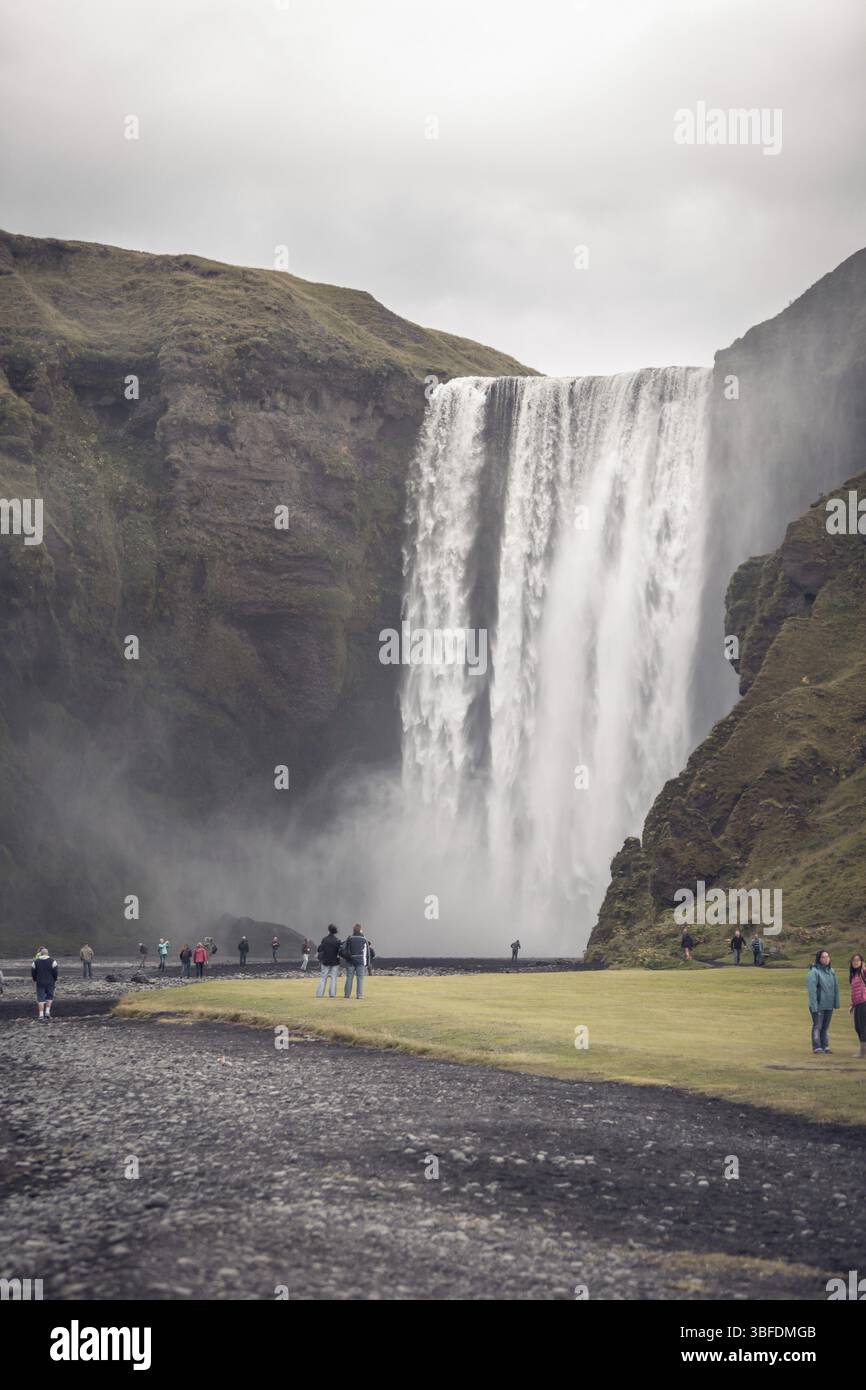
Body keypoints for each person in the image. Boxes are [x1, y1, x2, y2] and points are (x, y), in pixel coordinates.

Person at [806, 949, 840, 1054]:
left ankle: (825, 1046)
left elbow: (836, 988)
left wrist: (836, 1003)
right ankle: (817, 1047)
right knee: (818, 1026)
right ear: (819, 959)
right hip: (818, 1005)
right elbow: (812, 991)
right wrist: (814, 1006)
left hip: (828, 1005)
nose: (826, 959)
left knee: (825, 1027)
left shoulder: (832, 971)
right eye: (823, 957)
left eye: (827, 957)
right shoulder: (814, 972)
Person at [316, 924, 342, 998]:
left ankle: (320, 994)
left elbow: (319, 949)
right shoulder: (337, 941)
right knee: (333, 978)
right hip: (335, 962)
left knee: (323, 978)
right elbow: (339, 952)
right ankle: (332, 994)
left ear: (328, 930)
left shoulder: (325, 939)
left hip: (325, 961)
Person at [342, 924, 368, 999]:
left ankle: (347, 994)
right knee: (360, 978)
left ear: (353, 930)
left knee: (349, 977)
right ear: (360, 930)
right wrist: (366, 963)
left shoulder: (350, 938)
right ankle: (359, 995)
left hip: (350, 960)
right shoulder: (363, 939)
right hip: (360, 960)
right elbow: (366, 952)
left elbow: (344, 948)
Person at [31, 947, 58, 1020]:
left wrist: (35, 979)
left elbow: (33, 973)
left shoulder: (35, 962)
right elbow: (55, 973)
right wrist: (54, 979)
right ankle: (47, 1013)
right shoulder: (53, 961)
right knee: (50, 997)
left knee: (40, 999)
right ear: (47, 953)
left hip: (40, 982)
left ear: (41, 953)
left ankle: (41, 1015)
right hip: (50, 982)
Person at [848, 953, 866, 1059]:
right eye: (854, 960)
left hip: (864, 1003)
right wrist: (852, 1004)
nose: (855, 962)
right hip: (858, 1004)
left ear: (862, 962)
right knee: (858, 1027)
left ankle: (862, 1052)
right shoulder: (854, 975)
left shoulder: (863, 971)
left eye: (858, 960)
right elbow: (854, 992)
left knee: (863, 1027)